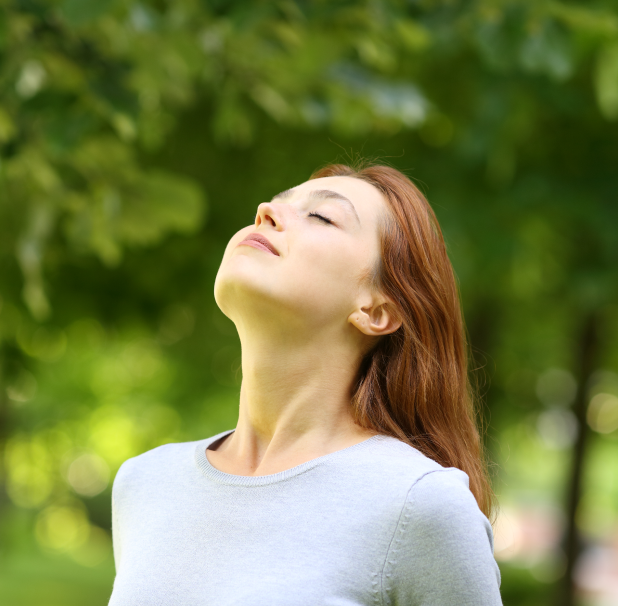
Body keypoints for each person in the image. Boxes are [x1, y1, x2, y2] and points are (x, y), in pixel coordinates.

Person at [108, 163, 503, 605]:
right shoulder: (144, 483)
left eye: (321, 217)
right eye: (275, 203)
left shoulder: (420, 505)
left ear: (377, 310)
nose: (265, 212)